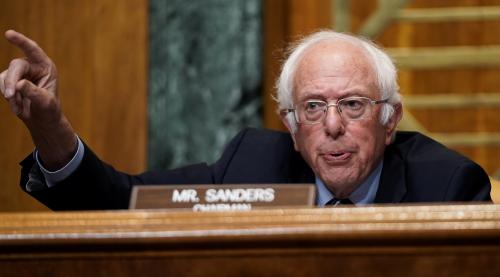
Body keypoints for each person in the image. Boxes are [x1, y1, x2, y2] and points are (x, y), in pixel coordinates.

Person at [0, 29, 491, 210]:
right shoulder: (252, 164)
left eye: (354, 104)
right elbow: (120, 202)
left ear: (390, 120)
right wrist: (51, 129)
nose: (334, 126)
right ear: (292, 128)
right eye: (314, 107)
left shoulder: (447, 185)